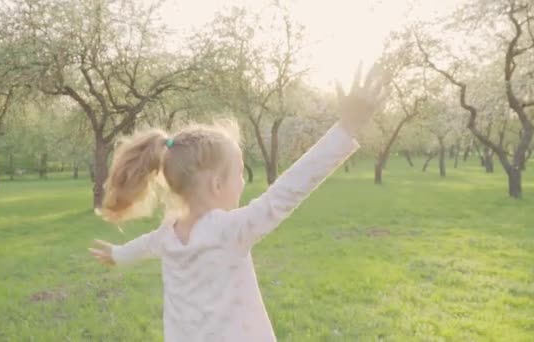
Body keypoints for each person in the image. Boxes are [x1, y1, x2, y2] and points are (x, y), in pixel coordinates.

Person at [89, 63, 389, 341]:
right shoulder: (229, 230)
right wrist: (345, 130)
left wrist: (117, 254)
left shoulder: (168, 235)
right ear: (217, 184)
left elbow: (141, 246)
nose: (243, 182)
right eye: (238, 173)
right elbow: (287, 191)